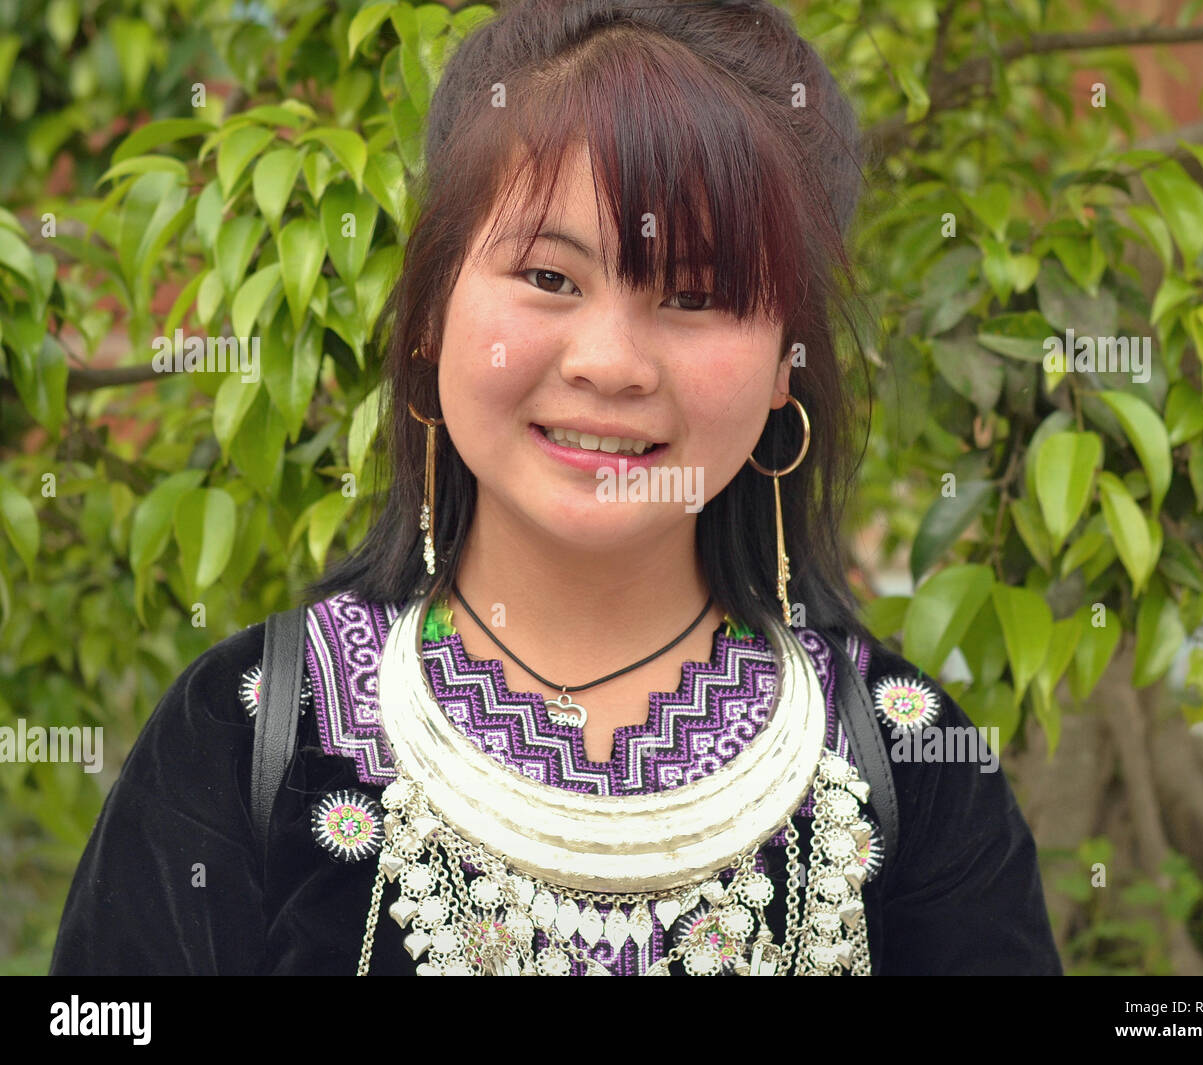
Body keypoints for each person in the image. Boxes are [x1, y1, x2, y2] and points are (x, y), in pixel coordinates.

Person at [50, 0, 1061, 976]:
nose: (610, 362)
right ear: (430, 314)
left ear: (785, 363)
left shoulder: (908, 764)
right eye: (549, 277)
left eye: (696, 294)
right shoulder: (245, 735)